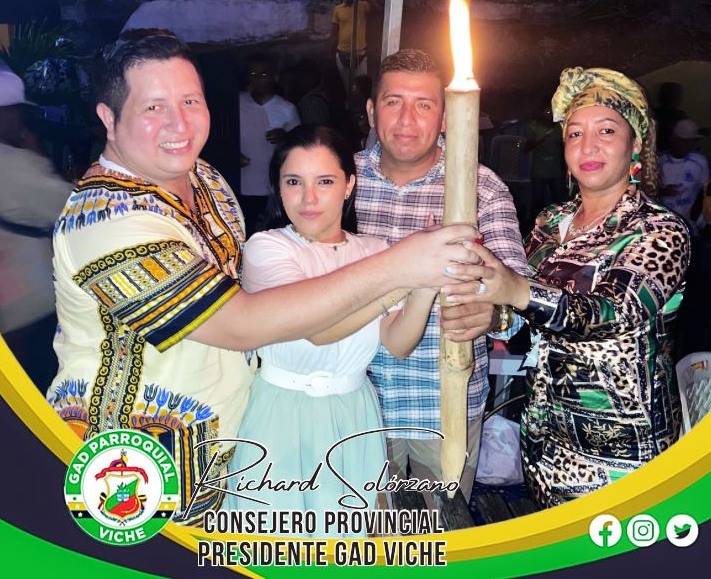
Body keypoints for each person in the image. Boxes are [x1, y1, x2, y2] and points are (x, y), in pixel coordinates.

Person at [47, 34, 480, 525]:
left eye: (190, 101)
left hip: (227, 448)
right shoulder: (106, 220)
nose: (179, 123)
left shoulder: (205, 180)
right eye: (153, 107)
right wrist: (399, 268)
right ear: (109, 118)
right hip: (133, 464)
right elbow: (242, 324)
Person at [454, 67, 691, 508]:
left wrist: (514, 289)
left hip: (621, 452)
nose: (588, 145)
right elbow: (526, 316)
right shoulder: (551, 222)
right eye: (575, 133)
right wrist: (491, 314)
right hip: (544, 437)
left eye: (607, 131)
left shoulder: (659, 230)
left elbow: (611, 313)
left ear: (636, 144)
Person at [225, 125, 444, 527]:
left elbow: (397, 343)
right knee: (275, 536)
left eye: (325, 181)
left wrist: (426, 285)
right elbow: (316, 330)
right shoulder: (267, 248)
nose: (309, 198)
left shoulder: (374, 251)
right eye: (294, 182)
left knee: (347, 536)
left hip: (354, 412)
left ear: (349, 186)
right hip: (281, 412)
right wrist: (405, 274)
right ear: (278, 188)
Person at [355, 49, 529, 508]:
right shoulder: (340, 181)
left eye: (424, 105)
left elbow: (516, 297)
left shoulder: (480, 187)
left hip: (446, 407)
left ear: (448, 117)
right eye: (393, 102)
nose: (406, 119)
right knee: (366, 534)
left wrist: (492, 315)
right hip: (357, 405)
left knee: (444, 535)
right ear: (372, 111)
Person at [0, 62, 71, 392]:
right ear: (1, 114)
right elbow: (70, 208)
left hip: (1, 306)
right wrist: (40, 157)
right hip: (29, 305)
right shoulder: (15, 164)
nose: (20, 122)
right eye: (16, 113)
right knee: (42, 388)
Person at [238, 55, 300, 233]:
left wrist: (285, 137)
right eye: (253, 74)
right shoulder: (237, 102)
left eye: (263, 74)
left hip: (271, 187)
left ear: (274, 77)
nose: (258, 79)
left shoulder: (286, 109)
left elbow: (300, 147)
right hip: (240, 185)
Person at [330, 0, 380, 92]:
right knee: (346, 87)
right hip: (342, 52)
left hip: (359, 53)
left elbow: (378, 8)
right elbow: (334, 32)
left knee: (362, 87)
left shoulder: (362, 6)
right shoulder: (338, 9)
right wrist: (331, 51)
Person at [659, 118, 709, 228]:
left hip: (687, 223)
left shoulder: (700, 162)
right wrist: (662, 192)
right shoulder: (659, 161)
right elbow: (645, 191)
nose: (688, 145)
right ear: (673, 140)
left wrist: (700, 220)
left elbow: (706, 191)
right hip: (660, 222)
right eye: (683, 141)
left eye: (692, 141)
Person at [525, 105, 566, 218]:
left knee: (559, 201)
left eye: (553, 111)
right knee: (538, 202)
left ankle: (558, 223)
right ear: (541, 112)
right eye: (547, 111)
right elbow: (526, 148)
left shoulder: (560, 127)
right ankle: (535, 224)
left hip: (556, 171)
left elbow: (565, 147)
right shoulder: (534, 127)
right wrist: (539, 139)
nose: (550, 114)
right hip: (539, 171)